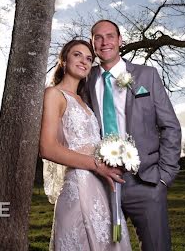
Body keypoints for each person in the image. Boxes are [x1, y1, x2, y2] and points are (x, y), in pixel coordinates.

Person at [88, 19, 182, 251]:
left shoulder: (147, 75)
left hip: (145, 181)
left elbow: (170, 126)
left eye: (110, 36)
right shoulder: (85, 80)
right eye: (98, 37)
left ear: (120, 40)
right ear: (92, 44)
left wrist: (164, 176)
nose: (104, 42)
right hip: (100, 182)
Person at [40, 39, 132, 251]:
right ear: (64, 59)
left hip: (100, 184)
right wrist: (96, 164)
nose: (84, 61)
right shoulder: (54, 95)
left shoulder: (85, 103)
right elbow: (47, 148)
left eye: (89, 58)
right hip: (79, 184)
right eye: (77, 55)